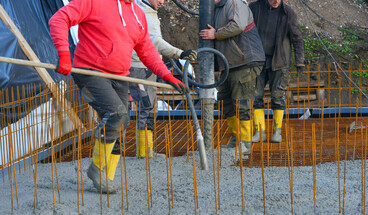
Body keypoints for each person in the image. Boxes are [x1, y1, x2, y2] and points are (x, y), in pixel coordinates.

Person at [49, 0, 188, 194]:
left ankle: (107, 176)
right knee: (116, 114)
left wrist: (167, 75)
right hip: (91, 73)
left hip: (119, 75)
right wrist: (64, 53)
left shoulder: (137, 14)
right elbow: (59, 19)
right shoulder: (93, 2)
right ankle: (96, 169)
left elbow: (147, 50)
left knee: (120, 125)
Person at [129, 0, 197, 158]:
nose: (163, 2)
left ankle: (144, 151)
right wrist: (179, 53)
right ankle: (144, 153)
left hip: (144, 65)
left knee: (147, 107)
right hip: (139, 66)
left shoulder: (146, 10)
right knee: (146, 108)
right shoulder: (144, 13)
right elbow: (154, 41)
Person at [200, 0, 265, 154]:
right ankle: (236, 139)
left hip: (245, 60)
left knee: (242, 103)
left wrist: (215, 34)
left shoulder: (234, 3)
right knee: (227, 101)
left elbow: (238, 25)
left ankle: (245, 143)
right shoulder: (218, 8)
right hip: (231, 63)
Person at [249, 0, 304, 143]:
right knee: (256, 97)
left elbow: (297, 38)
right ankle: (260, 131)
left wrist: (300, 60)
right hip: (258, 60)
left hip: (280, 62)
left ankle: (276, 132)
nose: (275, 1)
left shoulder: (288, 13)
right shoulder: (255, 8)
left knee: (277, 97)